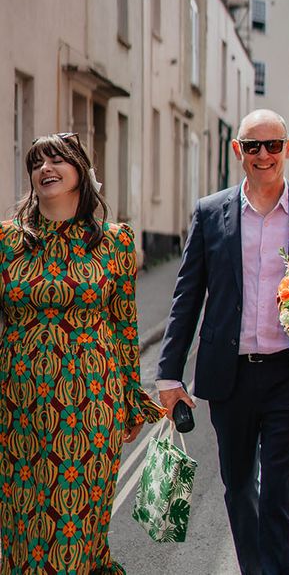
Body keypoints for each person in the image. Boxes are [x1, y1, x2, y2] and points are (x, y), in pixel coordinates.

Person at [156, 110, 289, 575]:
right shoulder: (210, 213)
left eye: (272, 145)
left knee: (281, 489)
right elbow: (188, 295)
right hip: (231, 376)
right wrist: (168, 373)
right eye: (252, 146)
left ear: (288, 147)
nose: (263, 155)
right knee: (240, 488)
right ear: (237, 150)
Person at [0, 133, 163, 573]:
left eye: (57, 159)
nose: (45, 168)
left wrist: (131, 400)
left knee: (78, 523)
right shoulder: (6, 241)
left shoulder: (115, 242)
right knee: (21, 524)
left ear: (81, 171)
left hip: (91, 404)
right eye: (37, 162)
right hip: (17, 407)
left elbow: (125, 325)